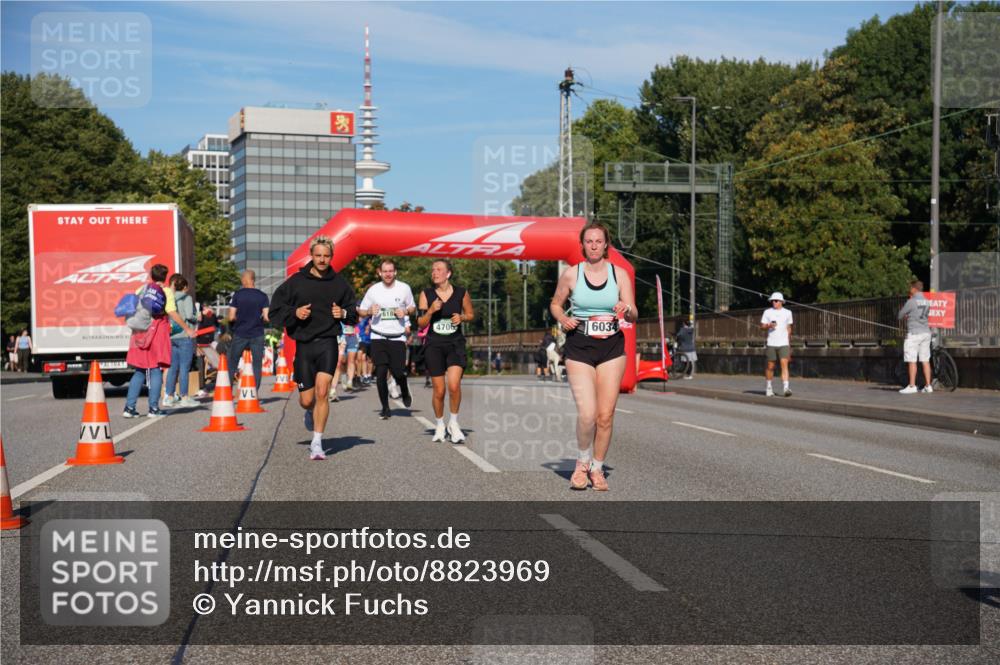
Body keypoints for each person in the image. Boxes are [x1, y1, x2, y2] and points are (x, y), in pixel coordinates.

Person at [550, 221, 637, 491]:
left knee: (605, 415)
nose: (594, 246)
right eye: (589, 241)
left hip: (612, 347)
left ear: (606, 244)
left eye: (599, 241)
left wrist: (626, 309)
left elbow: (634, 313)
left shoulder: (619, 274)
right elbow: (555, 304)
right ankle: (582, 463)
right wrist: (563, 318)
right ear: (582, 245)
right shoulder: (571, 274)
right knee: (587, 414)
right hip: (580, 346)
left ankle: (597, 469)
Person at [268, 236, 357, 460]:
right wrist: (294, 313)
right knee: (307, 400)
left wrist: (343, 313)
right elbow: (275, 310)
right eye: (318, 255)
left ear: (332, 256)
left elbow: (353, 313)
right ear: (311, 255)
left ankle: (317, 443)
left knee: (323, 391)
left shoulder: (339, 283)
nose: (322, 260)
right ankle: (310, 411)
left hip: (328, 342)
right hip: (304, 346)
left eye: (326, 256)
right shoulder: (296, 282)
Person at [123, 264, 194, 417]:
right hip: (156, 334)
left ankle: (129, 408)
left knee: (140, 370)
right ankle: (153, 408)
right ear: (165, 277)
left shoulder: (142, 289)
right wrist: (187, 328)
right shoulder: (166, 291)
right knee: (155, 369)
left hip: (139, 333)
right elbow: (172, 312)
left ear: (151, 276)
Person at [417, 259, 475, 442]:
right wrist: (430, 311)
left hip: (455, 344)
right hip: (434, 345)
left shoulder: (461, 293)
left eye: (439, 269)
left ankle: (454, 423)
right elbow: (420, 323)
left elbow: (471, 314)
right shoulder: (426, 294)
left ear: (448, 274)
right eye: (433, 270)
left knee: (454, 386)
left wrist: (462, 317)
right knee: (439, 390)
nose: (434, 273)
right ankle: (440, 424)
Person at [359, 259, 416, 420]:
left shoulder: (404, 288)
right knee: (381, 372)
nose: (388, 274)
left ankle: (404, 388)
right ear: (380, 273)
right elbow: (361, 311)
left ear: (395, 272)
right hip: (378, 336)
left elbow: (413, 307)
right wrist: (369, 311)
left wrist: (405, 312)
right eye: (385, 271)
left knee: (398, 372)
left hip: (397, 337)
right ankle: (385, 408)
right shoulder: (373, 290)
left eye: (391, 271)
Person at [227, 270, 269, 391]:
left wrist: (239, 319)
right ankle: (254, 393)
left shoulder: (237, 295)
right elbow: (266, 318)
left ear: (244, 280)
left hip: (240, 333)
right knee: (257, 364)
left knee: (232, 362)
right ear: (253, 280)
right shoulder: (263, 296)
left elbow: (231, 317)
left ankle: (227, 390)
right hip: (257, 333)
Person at [163, 275, 200, 408]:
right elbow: (189, 315)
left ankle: (169, 396)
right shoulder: (187, 298)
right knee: (184, 368)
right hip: (184, 335)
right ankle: (184, 397)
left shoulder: (169, 297)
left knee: (173, 368)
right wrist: (197, 316)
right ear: (184, 287)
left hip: (172, 335)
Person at [898, 279, 933, 394]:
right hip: (926, 332)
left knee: (912, 360)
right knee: (925, 360)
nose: (909, 290)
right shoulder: (927, 301)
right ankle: (928, 386)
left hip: (914, 333)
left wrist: (907, 316)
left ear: (914, 289)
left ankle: (912, 386)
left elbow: (900, 315)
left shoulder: (911, 301)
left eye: (910, 288)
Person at [760, 292, 793, 397]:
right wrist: (769, 325)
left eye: (776, 301)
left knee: (784, 364)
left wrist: (789, 345)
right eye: (772, 301)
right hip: (771, 343)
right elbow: (762, 326)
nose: (774, 302)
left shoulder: (788, 312)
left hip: (783, 343)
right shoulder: (767, 312)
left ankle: (786, 388)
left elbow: (789, 328)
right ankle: (769, 388)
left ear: (781, 302)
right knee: (770, 366)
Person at [195, 305, 219, 398]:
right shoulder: (210, 315)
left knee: (201, 365)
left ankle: (201, 387)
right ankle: (201, 387)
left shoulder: (205, 315)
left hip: (201, 342)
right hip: (206, 342)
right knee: (202, 365)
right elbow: (216, 325)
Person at [356, 315, 373, 384]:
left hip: (371, 340)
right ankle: (364, 375)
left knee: (370, 360)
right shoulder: (358, 320)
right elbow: (356, 329)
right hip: (362, 341)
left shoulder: (370, 318)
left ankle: (369, 375)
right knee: (362, 358)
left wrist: (370, 326)